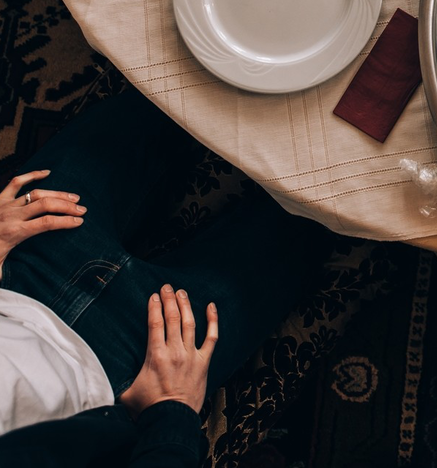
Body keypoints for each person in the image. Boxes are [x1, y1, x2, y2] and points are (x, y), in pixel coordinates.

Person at [0, 88, 338, 466]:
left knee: (170, 91)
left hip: (15, 275)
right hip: (128, 379)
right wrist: (172, 415)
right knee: (319, 203)